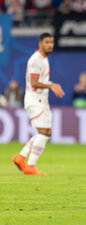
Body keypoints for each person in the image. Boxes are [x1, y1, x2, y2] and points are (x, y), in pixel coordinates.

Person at [12, 33, 65, 175]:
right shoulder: (35, 60)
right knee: (44, 132)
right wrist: (51, 86)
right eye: (47, 42)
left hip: (41, 99)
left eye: (51, 42)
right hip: (35, 99)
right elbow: (34, 83)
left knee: (46, 132)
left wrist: (51, 85)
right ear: (40, 43)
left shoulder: (43, 59)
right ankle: (30, 166)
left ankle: (21, 156)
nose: (50, 45)